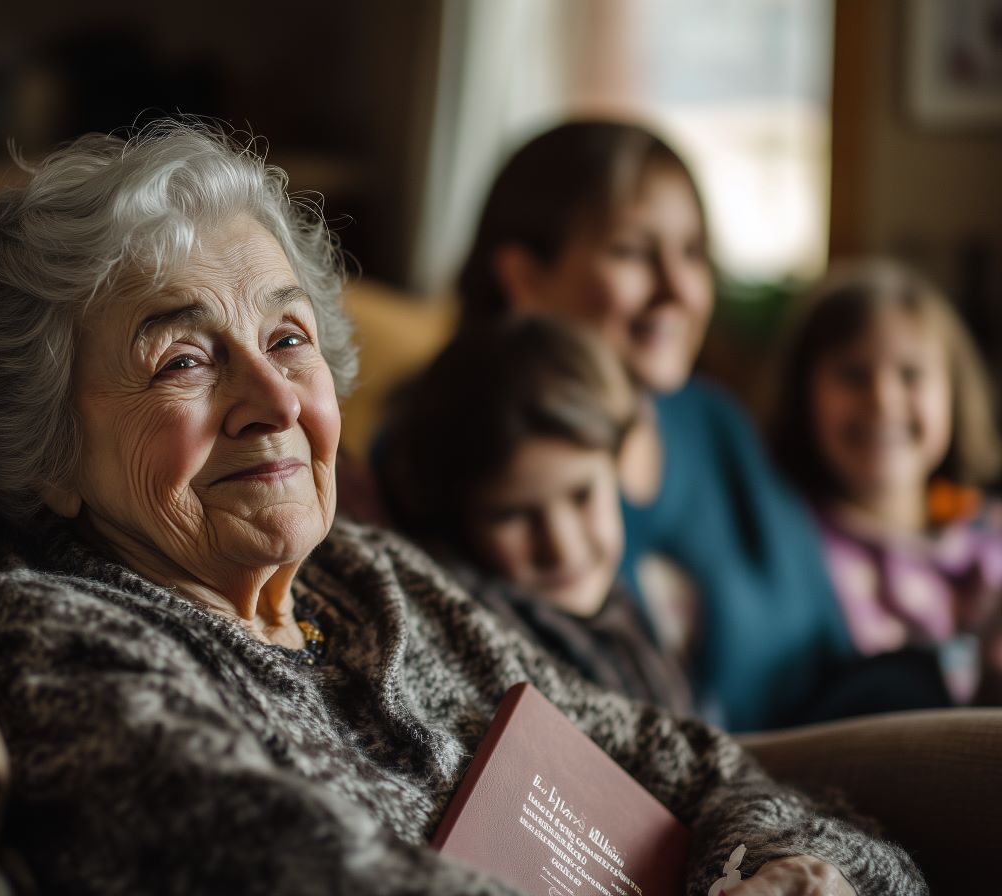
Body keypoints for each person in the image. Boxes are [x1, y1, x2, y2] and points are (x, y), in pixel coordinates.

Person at [0, 121, 923, 895]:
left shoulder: (373, 579)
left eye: (290, 338)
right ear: (42, 447)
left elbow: (693, 760)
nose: (275, 404)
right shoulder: (73, 650)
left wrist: (782, 863)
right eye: (183, 358)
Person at [456, 119, 854, 731]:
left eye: (692, 254)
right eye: (634, 253)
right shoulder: (465, 462)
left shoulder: (716, 422)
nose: (679, 290)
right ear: (525, 277)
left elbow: (837, 648)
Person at [376, 314, 693, 714]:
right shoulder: (476, 633)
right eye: (512, 516)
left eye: (582, 496)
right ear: (453, 513)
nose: (561, 547)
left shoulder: (622, 609)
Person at [767, 259, 1002, 712]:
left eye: (911, 375)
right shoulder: (792, 544)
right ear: (803, 394)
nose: (882, 399)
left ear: (953, 392)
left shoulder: (988, 532)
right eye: (853, 375)